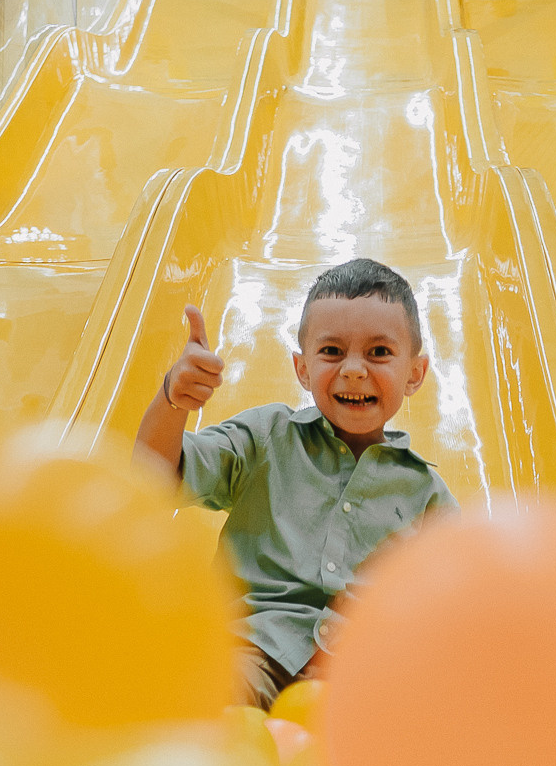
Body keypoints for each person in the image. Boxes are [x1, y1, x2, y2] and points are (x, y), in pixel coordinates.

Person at [136, 257, 456, 708]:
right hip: (250, 650)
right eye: (331, 351)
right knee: (205, 701)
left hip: (362, 674)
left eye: (379, 352)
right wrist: (174, 398)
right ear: (302, 367)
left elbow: (449, 606)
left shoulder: (425, 493)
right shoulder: (267, 437)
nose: (353, 370)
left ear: (415, 373)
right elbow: (152, 479)